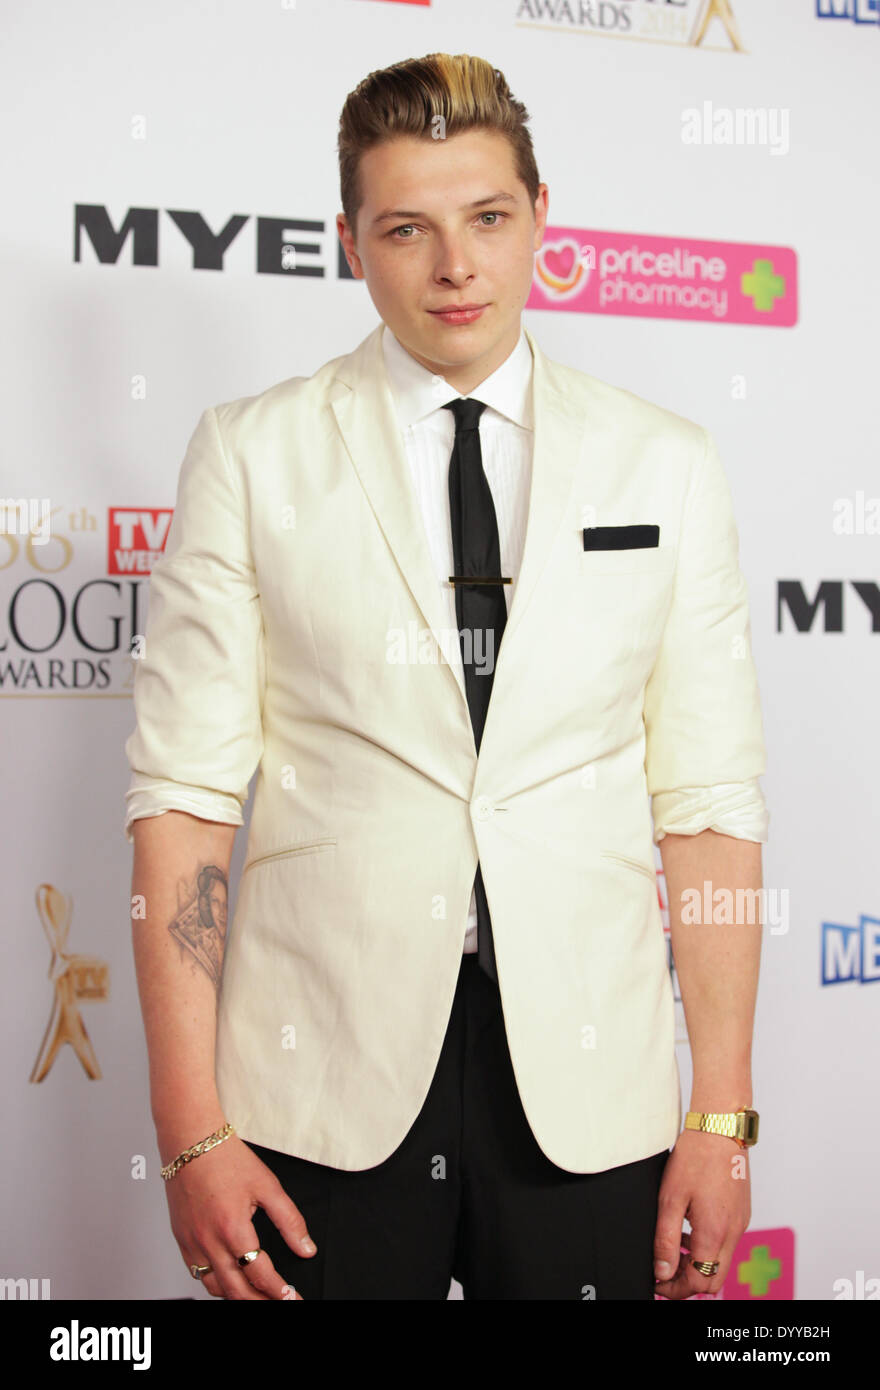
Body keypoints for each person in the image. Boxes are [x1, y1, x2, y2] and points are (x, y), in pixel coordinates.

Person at [125, 52, 768, 1301]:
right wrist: (193, 1129)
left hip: (590, 1086)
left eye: (487, 219)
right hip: (320, 1086)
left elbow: (707, 806)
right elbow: (185, 801)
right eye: (406, 229)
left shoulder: (665, 464)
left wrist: (724, 1112)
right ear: (351, 245)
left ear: (541, 217)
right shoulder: (251, 454)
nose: (454, 267)